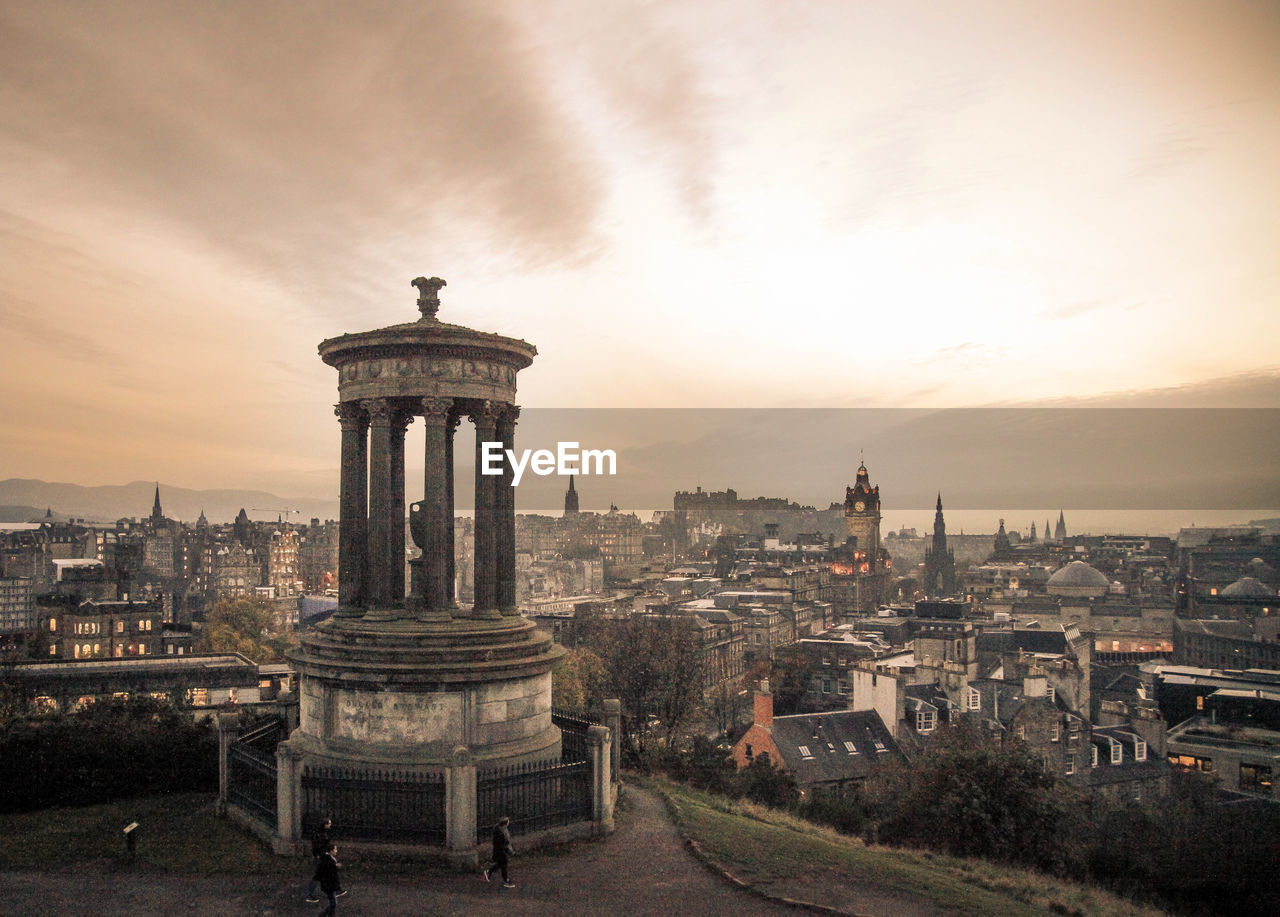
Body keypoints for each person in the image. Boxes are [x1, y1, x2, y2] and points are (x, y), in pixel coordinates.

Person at [304, 817, 332, 903]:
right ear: (325, 824)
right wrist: (320, 855)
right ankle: (309, 895)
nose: (330, 825)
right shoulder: (320, 835)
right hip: (320, 857)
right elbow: (317, 847)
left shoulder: (320, 833)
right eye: (329, 823)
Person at [313, 842, 346, 916]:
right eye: (335, 849)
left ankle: (329, 915)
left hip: (330, 884)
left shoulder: (329, 859)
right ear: (331, 851)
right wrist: (336, 867)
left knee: (333, 902)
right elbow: (329, 872)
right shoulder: (328, 861)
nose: (336, 851)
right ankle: (322, 915)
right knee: (333, 903)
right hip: (329, 885)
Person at [482, 816, 515, 888]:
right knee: (504, 866)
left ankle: (488, 872)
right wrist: (508, 851)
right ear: (505, 823)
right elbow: (503, 843)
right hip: (501, 851)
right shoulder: (500, 832)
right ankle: (505, 880)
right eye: (508, 822)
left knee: (500, 864)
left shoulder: (501, 830)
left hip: (500, 851)